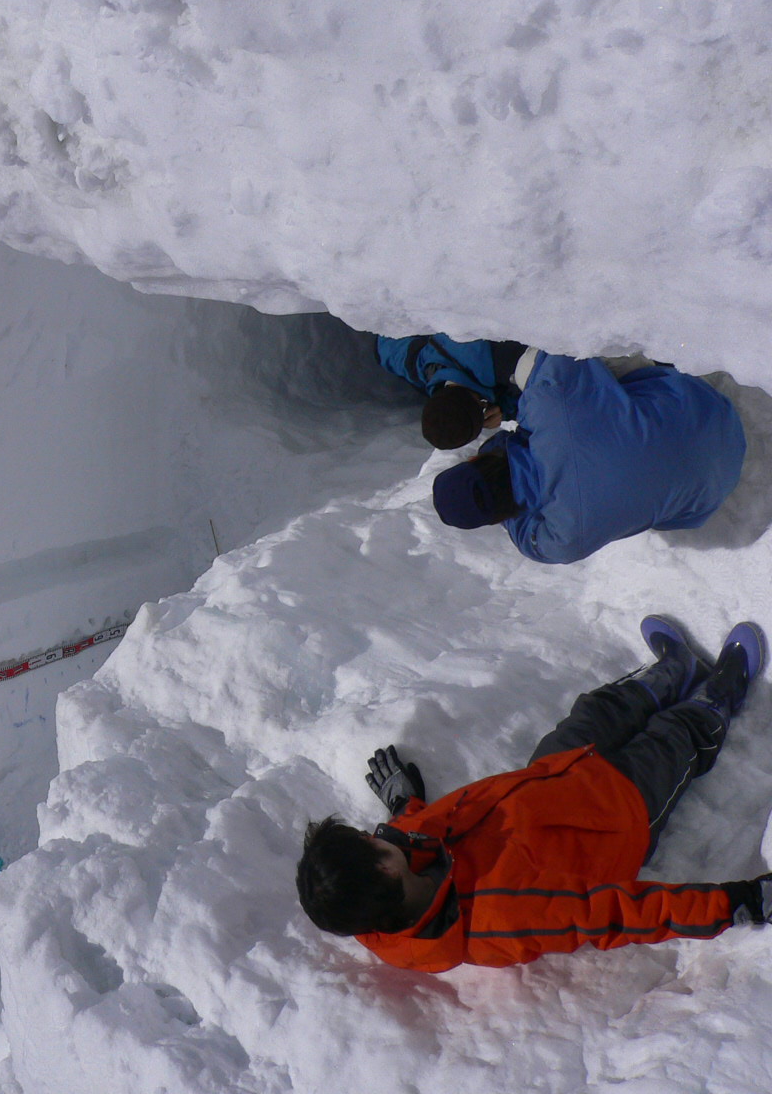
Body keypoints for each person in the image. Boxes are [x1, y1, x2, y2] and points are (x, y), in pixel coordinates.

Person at [295, 617, 771, 971]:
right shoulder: (504, 919)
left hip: (549, 776)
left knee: (599, 709)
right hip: (615, 817)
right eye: (369, 841)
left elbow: (414, 828)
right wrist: (737, 901)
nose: (377, 833)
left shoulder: (395, 870)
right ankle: (725, 687)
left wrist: (403, 802)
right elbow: (624, 915)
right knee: (675, 736)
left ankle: (675, 668)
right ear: (382, 868)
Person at [430, 353, 745, 564]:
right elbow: (559, 355)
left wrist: (500, 506)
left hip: (718, 483)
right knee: (539, 367)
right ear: (472, 462)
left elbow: (528, 540)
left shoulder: (558, 539)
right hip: (708, 408)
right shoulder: (548, 404)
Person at [375, 333, 527, 449]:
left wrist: (506, 409)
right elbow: (384, 347)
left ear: (482, 406)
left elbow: (542, 387)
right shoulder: (416, 364)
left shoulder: (508, 365)